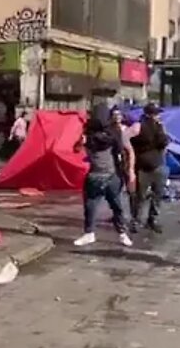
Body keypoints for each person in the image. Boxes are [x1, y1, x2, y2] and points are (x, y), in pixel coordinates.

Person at [73, 104, 134, 248]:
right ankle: (92, 233)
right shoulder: (93, 134)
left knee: (114, 207)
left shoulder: (109, 134)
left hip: (108, 175)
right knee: (95, 206)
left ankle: (120, 233)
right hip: (101, 175)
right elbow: (76, 148)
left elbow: (120, 149)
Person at [129, 102, 170, 234]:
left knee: (157, 195)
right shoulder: (139, 126)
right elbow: (129, 141)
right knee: (140, 196)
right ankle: (136, 220)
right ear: (150, 114)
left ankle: (151, 220)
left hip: (157, 165)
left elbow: (164, 143)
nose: (158, 116)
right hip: (144, 167)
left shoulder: (160, 127)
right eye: (156, 113)